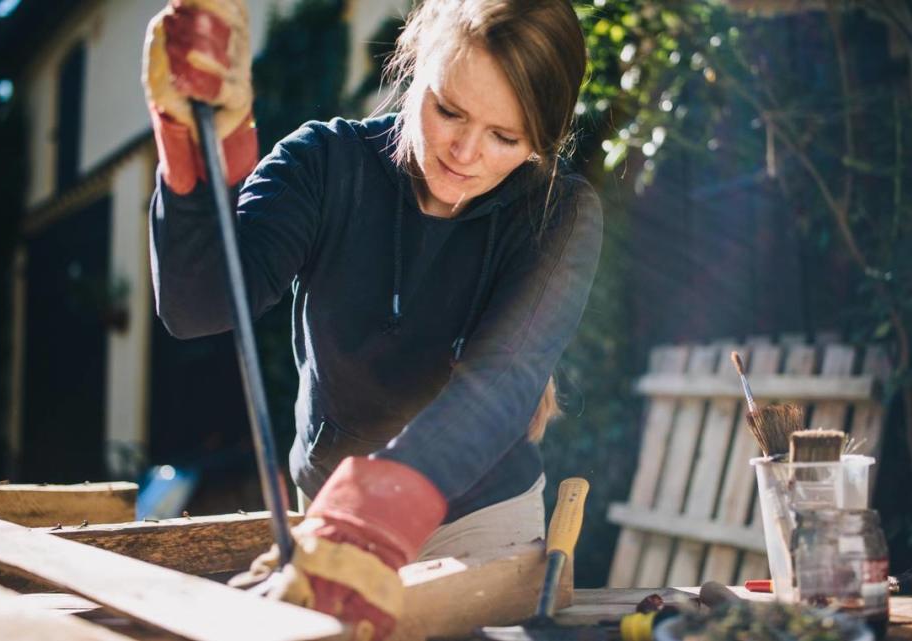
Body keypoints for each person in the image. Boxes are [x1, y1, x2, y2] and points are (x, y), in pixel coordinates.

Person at [142, 0, 601, 638]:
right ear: (414, 66)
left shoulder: (559, 213)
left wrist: (377, 507)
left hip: (481, 524)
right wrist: (190, 154)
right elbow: (199, 306)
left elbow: (501, 383)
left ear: (542, 141)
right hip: (331, 516)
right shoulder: (323, 164)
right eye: (449, 110)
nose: (466, 153)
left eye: (506, 137)